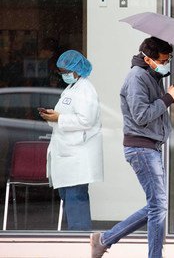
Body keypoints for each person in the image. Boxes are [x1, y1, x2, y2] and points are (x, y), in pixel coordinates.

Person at [90, 37, 174, 258]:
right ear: (148, 59)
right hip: (141, 148)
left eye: (168, 58)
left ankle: (103, 240)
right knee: (158, 207)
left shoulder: (152, 75)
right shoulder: (136, 78)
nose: (166, 63)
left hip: (150, 147)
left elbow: (154, 108)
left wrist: (169, 96)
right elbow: (141, 116)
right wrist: (168, 98)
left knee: (156, 206)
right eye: (163, 59)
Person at [39, 50, 103, 231]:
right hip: (68, 155)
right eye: (61, 71)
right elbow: (67, 115)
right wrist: (54, 116)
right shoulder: (72, 89)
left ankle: (80, 241)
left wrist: (58, 118)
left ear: (78, 69)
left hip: (78, 156)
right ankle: (74, 239)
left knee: (76, 200)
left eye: (66, 71)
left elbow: (86, 120)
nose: (64, 75)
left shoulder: (85, 89)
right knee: (70, 199)